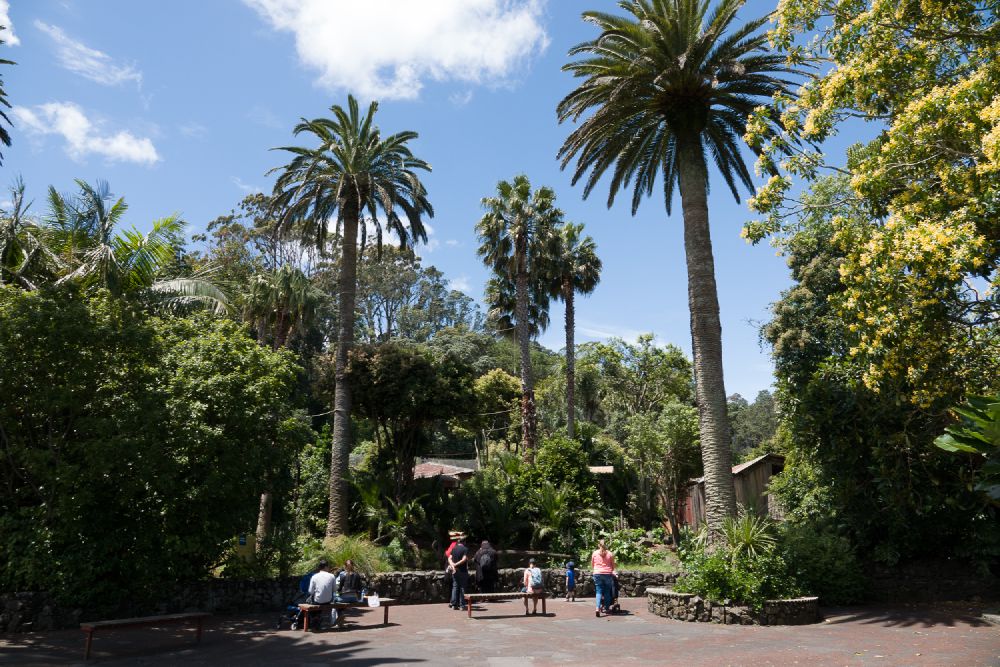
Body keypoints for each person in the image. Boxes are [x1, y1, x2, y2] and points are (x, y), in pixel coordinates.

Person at [591, 539, 616, 617]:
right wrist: (611, 571)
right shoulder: (610, 554)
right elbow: (613, 565)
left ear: (599, 545)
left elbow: (592, 564)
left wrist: (596, 570)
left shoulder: (594, 553)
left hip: (597, 573)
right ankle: (607, 608)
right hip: (607, 574)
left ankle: (597, 608)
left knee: (598, 591)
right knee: (607, 592)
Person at [448, 532, 470, 610]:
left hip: (455, 571)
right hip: (462, 571)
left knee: (455, 587)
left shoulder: (454, 548)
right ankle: (462, 605)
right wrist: (456, 564)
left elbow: (449, 558)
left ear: (458, 542)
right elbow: (464, 559)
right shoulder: (465, 549)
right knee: (462, 588)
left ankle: (454, 604)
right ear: (464, 542)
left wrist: (453, 565)